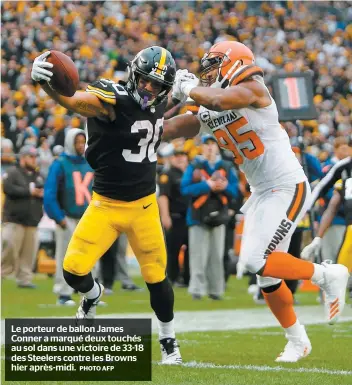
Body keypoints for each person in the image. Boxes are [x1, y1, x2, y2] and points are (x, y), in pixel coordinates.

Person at [163, 41, 350, 362]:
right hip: (262, 192)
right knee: (266, 275)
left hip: (286, 186)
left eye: (214, 65)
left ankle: (327, 275)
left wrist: (191, 89)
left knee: (253, 260)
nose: (207, 72)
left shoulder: (251, 86)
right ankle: (297, 340)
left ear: (234, 62)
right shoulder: (207, 98)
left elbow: (222, 101)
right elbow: (177, 127)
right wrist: (149, 120)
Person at [31, 47, 182, 364]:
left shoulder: (163, 103)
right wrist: (47, 85)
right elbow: (72, 102)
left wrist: (201, 105)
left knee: (156, 278)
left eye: (158, 85)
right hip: (106, 204)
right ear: (133, 75)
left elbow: (176, 125)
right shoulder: (112, 99)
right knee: (72, 271)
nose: (150, 89)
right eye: (146, 81)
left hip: (143, 207)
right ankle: (93, 295)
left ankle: (169, 340)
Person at [181, 134, 239, 300]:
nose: (210, 147)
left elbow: (235, 191)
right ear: (202, 147)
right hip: (198, 216)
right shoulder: (195, 165)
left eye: (213, 144)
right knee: (197, 255)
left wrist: (225, 186)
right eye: (207, 144)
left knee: (216, 255)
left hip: (219, 216)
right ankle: (197, 290)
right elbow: (185, 189)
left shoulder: (226, 166)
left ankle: (216, 290)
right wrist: (207, 185)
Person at [43, 128, 94, 306]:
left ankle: (89, 294)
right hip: (67, 217)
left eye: (83, 141)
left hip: (88, 218)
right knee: (66, 258)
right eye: (77, 142)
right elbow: (49, 194)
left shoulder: (90, 163)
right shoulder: (60, 163)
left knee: (90, 257)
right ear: (69, 143)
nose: (81, 145)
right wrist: (59, 217)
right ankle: (63, 294)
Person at [1, 145, 44, 288]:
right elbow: (8, 188)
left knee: (28, 253)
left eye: (35, 157)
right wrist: (29, 191)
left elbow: (43, 190)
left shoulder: (38, 175)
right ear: (23, 158)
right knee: (9, 248)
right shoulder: (12, 172)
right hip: (14, 219)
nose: (34, 160)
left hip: (32, 220)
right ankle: (2, 273)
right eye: (31, 157)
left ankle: (24, 280)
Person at [301, 156, 352, 274]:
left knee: (340, 274)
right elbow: (331, 207)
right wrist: (317, 238)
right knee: (340, 274)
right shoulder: (344, 174)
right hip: (350, 230)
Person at [158, 144, 190, 287]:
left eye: (182, 155)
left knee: (191, 250)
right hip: (175, 216)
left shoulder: (191, 173)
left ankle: (187, 278)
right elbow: (163, 196)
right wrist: (165, 216)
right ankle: (171, 277)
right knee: (173, 249)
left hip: (190, 217)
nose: (180, 159)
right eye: (177, 156)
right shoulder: (168, 174)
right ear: (171, 158)